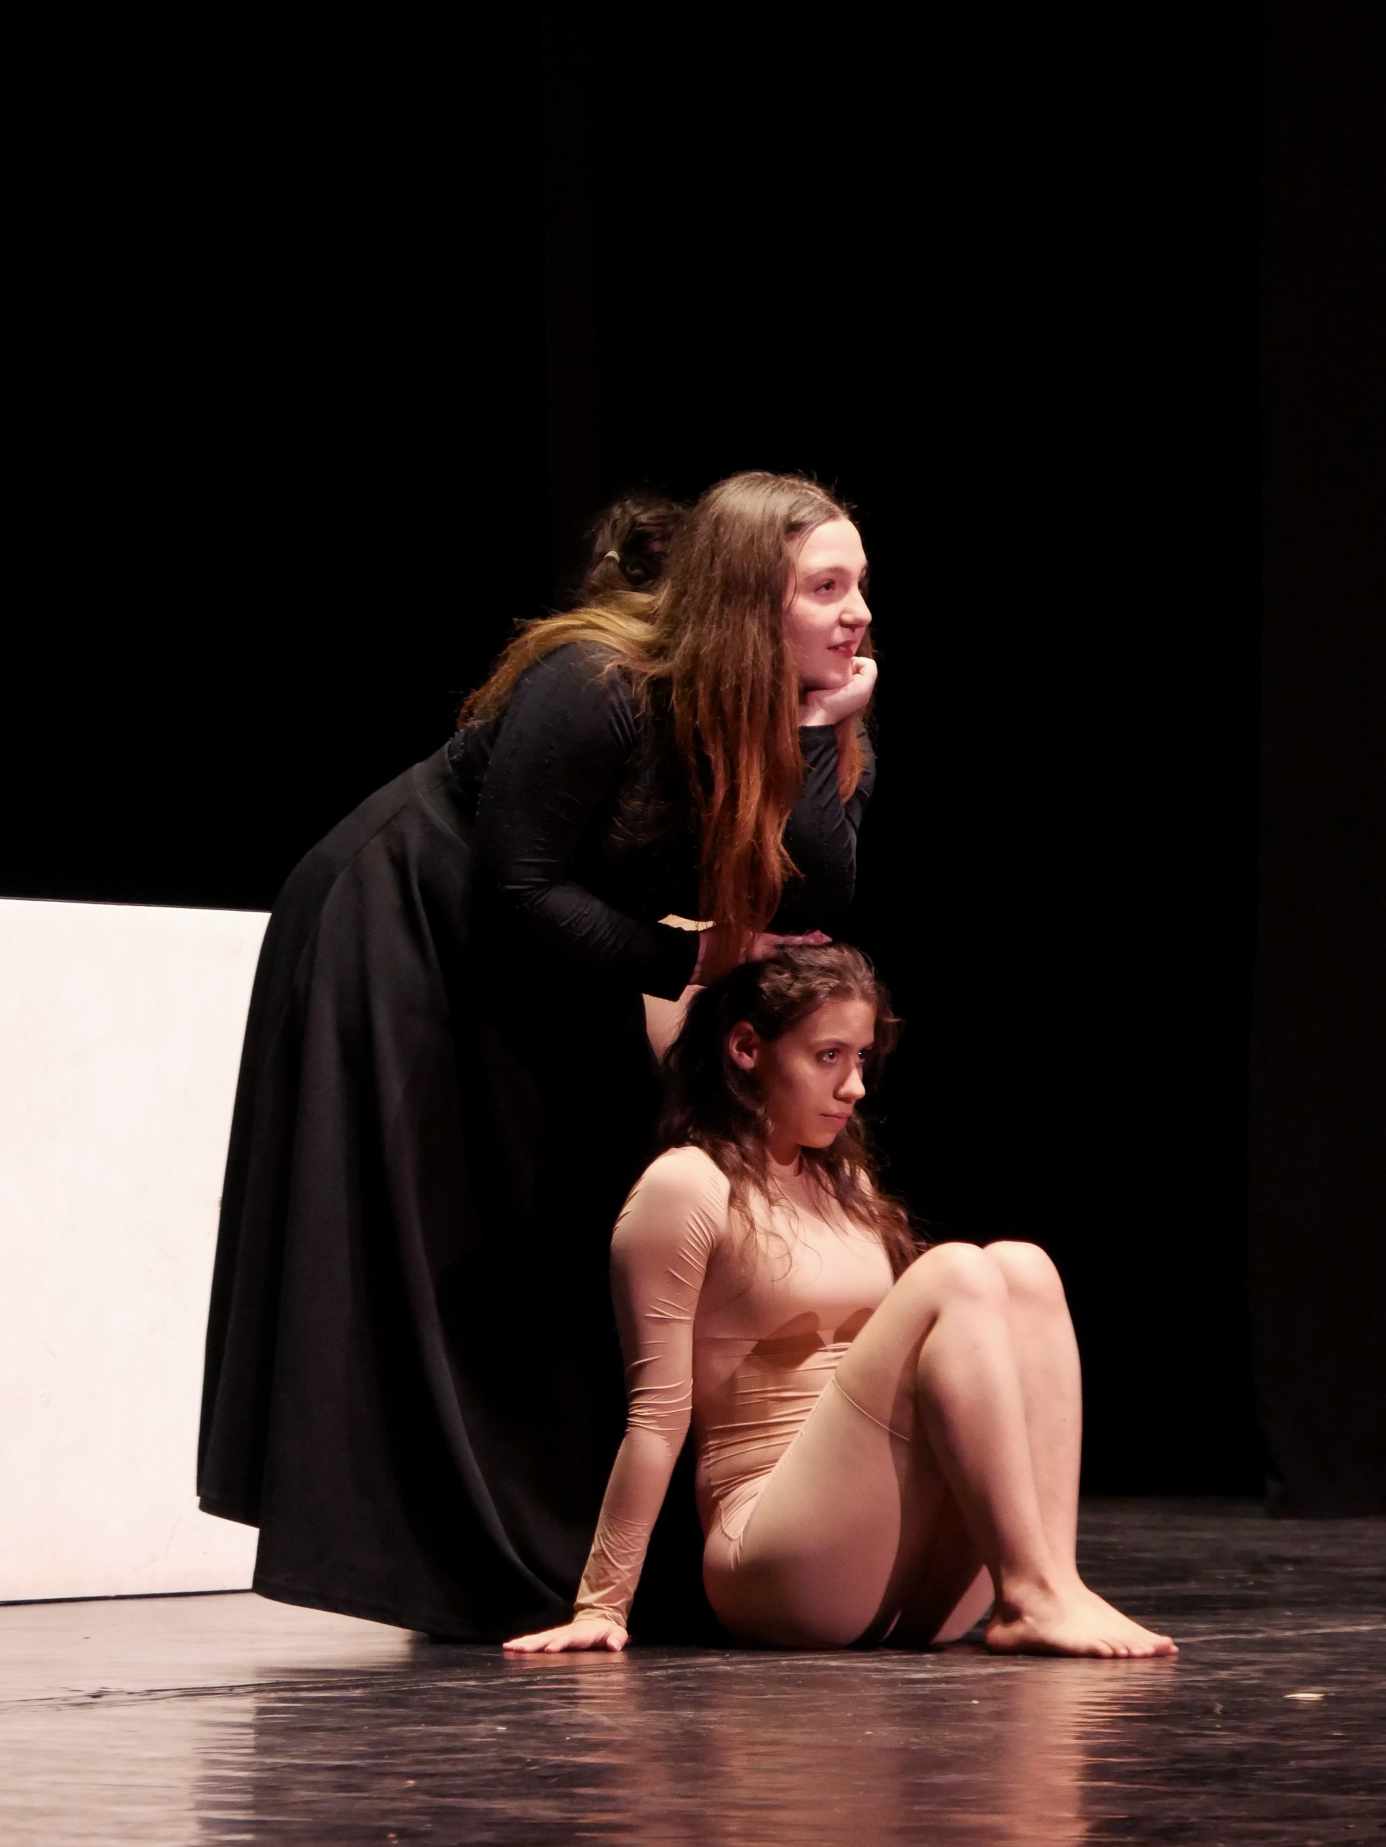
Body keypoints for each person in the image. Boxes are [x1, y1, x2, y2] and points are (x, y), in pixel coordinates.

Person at [197, 471, 879, 1641]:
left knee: (575, 1207)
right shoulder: (600, 684)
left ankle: (571, 1554)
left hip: (547, 938)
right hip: (409, 920)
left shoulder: (803, 699)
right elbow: (515, 882)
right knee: (447, 1222)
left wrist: (814, 733)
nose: (857, 611)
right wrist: (694, 956)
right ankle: (460, 1558)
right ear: (747, 598)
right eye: (826, 587)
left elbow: (818, 888)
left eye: (860, 583)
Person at [503, 946, 1179, 1659]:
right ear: (746, 1049)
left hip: (903, 1580)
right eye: (828, 1056)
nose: (854, 1086)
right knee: (955, 1271)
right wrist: (601, 1602)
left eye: (860, 1059)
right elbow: (655, 1418)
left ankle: (1050, 1581)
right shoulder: (687, 1185)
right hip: (779, 1561)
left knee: (1024, 1267)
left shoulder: (844, 1182)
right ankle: (1033, 1594)